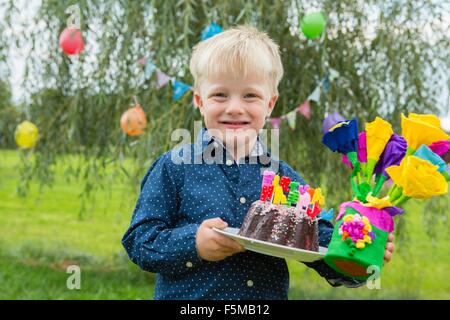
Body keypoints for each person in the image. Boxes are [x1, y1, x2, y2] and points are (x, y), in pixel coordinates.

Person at [122, 25, 395, 300]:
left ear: (270, 104)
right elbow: (139, 241)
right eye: (220, 95)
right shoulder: (174, 167)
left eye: (250, 95)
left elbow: (321, 245)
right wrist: (194, 244)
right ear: (199, 101)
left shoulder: (285, 179)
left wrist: (358, 253)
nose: (235, 108)